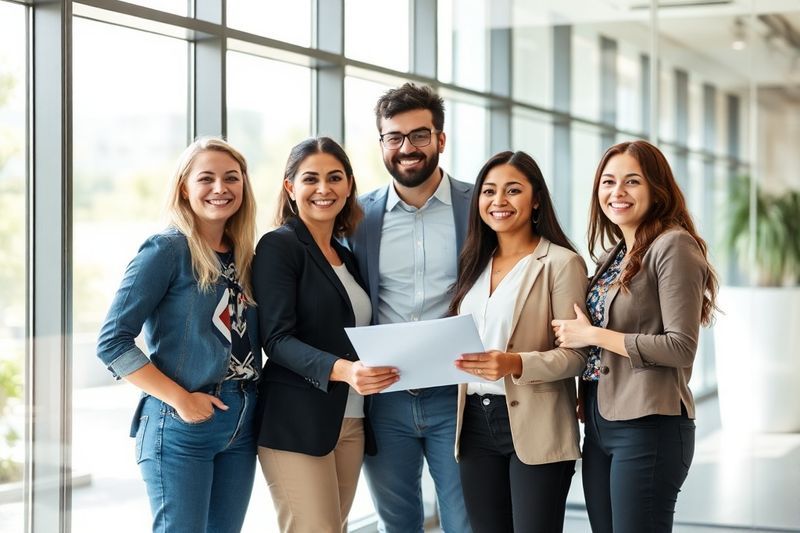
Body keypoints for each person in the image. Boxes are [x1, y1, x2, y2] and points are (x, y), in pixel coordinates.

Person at [553, 140, 718, 533]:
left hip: (649, 425)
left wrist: (593, 334)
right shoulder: (615, 255)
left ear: (656, 189)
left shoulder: (673, 245)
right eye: (608, 182)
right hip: (599, 420)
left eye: (632, 182)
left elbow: (681, 347)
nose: (617, 192)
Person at [96, 137, 260, 533]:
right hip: (182, 424)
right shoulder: (166, 250)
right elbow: (112, 342)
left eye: (231, 178)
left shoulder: (244, 255)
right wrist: (181, 399)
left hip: (243, 421)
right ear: (184, 187)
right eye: (207, 178)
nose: (220, 188)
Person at [252, 137, 399, 533]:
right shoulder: (278, 246)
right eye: (310, 179)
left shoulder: (345, 255)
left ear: (349, 185)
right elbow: (277, 339)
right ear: (290, 187)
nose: (324, 189)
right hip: (297, 421)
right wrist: (344, 370)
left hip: (349, 419)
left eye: (335, 178)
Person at [348, 83, 473, 532]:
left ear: (441, 139)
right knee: (396, 523)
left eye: (419, 135)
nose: (407, 148)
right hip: (385, 399)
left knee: (465, 521)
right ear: (382, 144)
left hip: (457, 395)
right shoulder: (357, 217)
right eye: (394, 137)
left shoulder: (478, 206)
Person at [449, 151, 588, 533]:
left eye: (513, 190)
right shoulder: (474, 263)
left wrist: (516, 364)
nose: (499, 201)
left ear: (536, 198)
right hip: (475, 421)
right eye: (489, 191)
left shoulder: (561, 263)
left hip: (536, 423)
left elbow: (577, 356)